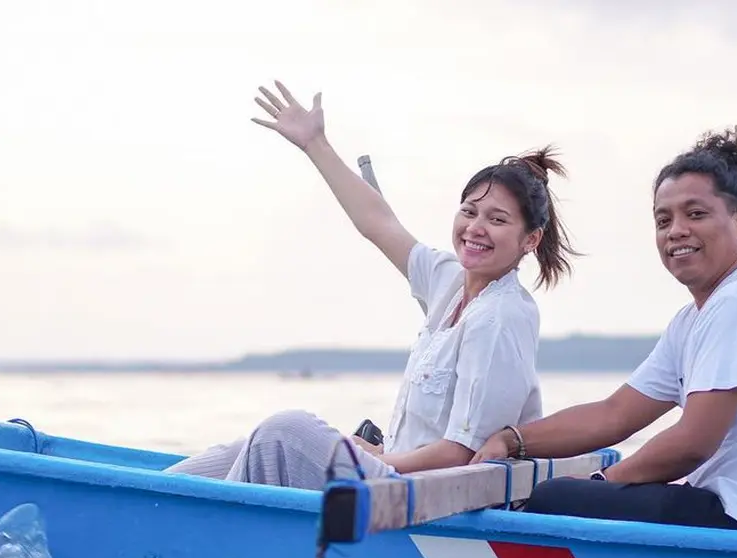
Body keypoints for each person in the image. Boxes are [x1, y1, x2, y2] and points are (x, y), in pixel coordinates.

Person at [166, 80, 580, 489]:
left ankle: (205, 532)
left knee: (285, 432)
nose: (476, 228)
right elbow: (378, 223)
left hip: (428, 494)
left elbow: (461, 453)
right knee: (246, 447)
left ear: (530, 240)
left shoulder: (501, 317)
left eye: (497, 219)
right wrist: (315, 144)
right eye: (469, 211)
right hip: (399, 472)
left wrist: (375, 458)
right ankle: (149, 501)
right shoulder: (449, 280)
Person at [472, 126, 737, 538]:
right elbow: (614, 415)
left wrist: (602, 484)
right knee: (573, 494)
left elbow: (693, 443)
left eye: (696, 214)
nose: (676, 231)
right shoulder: (695, 319)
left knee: (554, 500)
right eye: (663, 219)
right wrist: (512, 441)